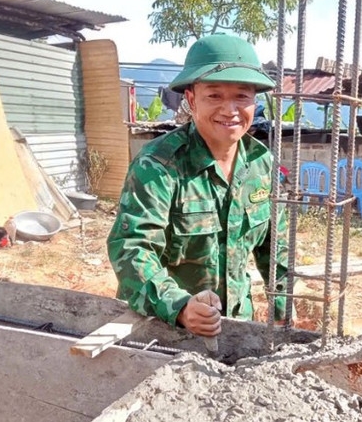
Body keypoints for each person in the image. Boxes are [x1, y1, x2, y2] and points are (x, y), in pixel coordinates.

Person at [107, 34, 289, 338]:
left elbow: (277, 251)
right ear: (192, 100)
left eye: (241, 96)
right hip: (164, 329)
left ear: (254, 101)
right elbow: (131, 248)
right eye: (214, 96)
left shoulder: (262, 164)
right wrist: (179, 307)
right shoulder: (159, 166)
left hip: (237, 326)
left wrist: (283, 312)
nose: (230, 110)